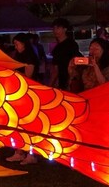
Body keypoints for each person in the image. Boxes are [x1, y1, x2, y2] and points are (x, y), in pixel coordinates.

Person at [7, 33, 42, 165]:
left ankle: (31, 154)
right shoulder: (18, 55)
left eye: (17, 44)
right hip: (20, 93)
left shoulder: (30, 57)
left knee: (29, 125)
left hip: (30, 93)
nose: (15, 47)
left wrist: (14, 72)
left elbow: (29, 75)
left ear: (24, 43)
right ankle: (19, 151)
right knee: (18, 124)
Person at [47, 18, 80, 90]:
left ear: (65, 29)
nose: (55, 30)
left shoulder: (72, 44)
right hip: (63, 81)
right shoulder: (57, 48)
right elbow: (56, 69)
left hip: (72, 80)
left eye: (58, 28)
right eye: (54, 28)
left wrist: (49, 85)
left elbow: (76, 62)